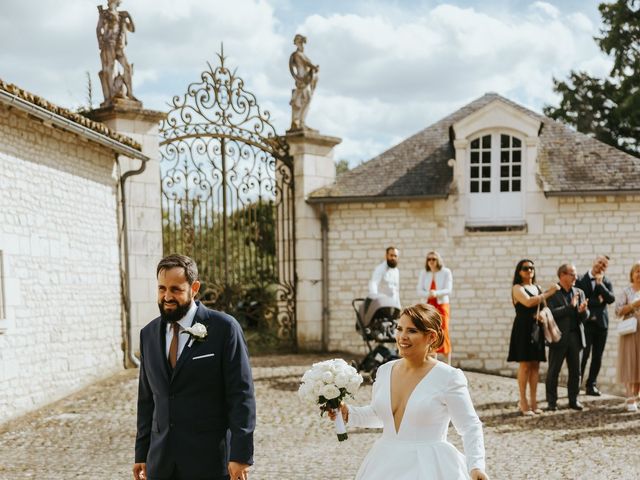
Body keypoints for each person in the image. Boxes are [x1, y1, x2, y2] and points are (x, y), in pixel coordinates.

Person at [329, 303, 488, 480]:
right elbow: (381, 416)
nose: (402, 337)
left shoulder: (448, 377)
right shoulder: (384, 371)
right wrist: (348, 413)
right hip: (384, 464)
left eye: (412, 331)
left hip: (429, 467)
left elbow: (470, 426)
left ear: (431, 337)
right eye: (399, 329)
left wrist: (476, 466)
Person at [133, 254, 256, 480]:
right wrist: (142, 452)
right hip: (161, 462)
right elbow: (146, 399)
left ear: (195, 288)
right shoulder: (148, 334)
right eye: (162, 289)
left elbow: (241, 394)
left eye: (175, 289)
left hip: (209, 461)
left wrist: (240, 455)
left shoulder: (224, 328)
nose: (167, 296)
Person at [507, 259, 560, 415]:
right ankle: (523, 402)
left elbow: (543, 307)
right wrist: (549, 292)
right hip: (523, 329)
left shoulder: (537, 288)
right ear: (519, 271)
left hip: (536, 328)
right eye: (525, 268)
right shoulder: (517, 288)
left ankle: (534, 402)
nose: (529, 270)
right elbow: (529, 302)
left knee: (535, 365)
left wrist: (543, 314)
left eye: (531, 268)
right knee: (525, 365)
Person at [545, 263, 589, 411]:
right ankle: (552, 402)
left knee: (576, 372)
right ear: (562, 275)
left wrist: (583, 311)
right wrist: (569, 308)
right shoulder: (552, 292)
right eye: (572, 274)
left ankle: (573, 400)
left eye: (576, 274)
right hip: (558, 337)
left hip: (576, 337)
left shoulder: (579, 292)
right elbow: (550, 313)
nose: (576, 277)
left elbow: (584, 317)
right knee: (553, 371)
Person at [575, 255, 615, 396]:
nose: (601, 266)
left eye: (604, 265)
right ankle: (576, 385)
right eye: (600, 262)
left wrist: (600, 285)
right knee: (584, 355)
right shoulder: (580, 279)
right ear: (594, 261)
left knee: (597, 356)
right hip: (586, 324)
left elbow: (610, 299)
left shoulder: (607, 282)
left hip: (601, 326)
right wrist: (597, 301)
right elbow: (579, 299)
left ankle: (591, 385)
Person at [96, 0, 138, 103]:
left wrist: (128, 16)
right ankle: (111, 95)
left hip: (119, 46)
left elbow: (132, 29)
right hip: (108, 43)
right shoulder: (105, 14)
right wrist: (101, 43)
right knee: (109, 69)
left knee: (127, 67)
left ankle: (130, 94)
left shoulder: (121, 15)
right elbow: (98, 29)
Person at [416, 251, 453, 364]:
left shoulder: (446, 272)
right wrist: (429, 293)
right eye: (429, 259)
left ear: (438, 260)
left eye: (434, 259)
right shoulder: (424, 273)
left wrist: (436, 293)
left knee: (444, 330)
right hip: (428, 305)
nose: (431, 261)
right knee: (430, 332)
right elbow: (419, 290)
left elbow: (448, 289)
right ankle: (433, 363)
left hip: (441, 305)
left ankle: (448, 363)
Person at [615, 261, 640, 412]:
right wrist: (633, 305)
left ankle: (636, 395)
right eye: (637, 271)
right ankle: (629, 396)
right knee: (629, 362)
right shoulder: (626, 291)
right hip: (631, 331)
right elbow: (617, 311)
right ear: (632, 274)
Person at [288, 33, 319, 130]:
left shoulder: (300, 54)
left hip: (304, 79)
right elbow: (307, 63)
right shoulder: (297, 54)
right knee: (304, 99)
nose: (300, 45)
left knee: (305, 99)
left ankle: (299, 121)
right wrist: (314, 67)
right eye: (298, 42)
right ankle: (299, 121)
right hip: (302, 80)